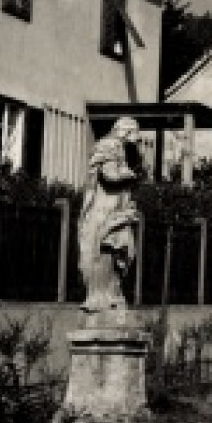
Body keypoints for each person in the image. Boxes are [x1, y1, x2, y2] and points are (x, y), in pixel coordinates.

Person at [79, 117, 143, 313]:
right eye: (135, 132)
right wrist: (130, 174)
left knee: (119, 251)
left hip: (116, 207)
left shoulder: (120, 147)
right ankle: (99, 296)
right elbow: (109, 176)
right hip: (105, 208)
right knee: (105, 250)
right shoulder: (109, 145)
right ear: (125, 131)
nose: (137, 138)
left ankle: (111, 293)